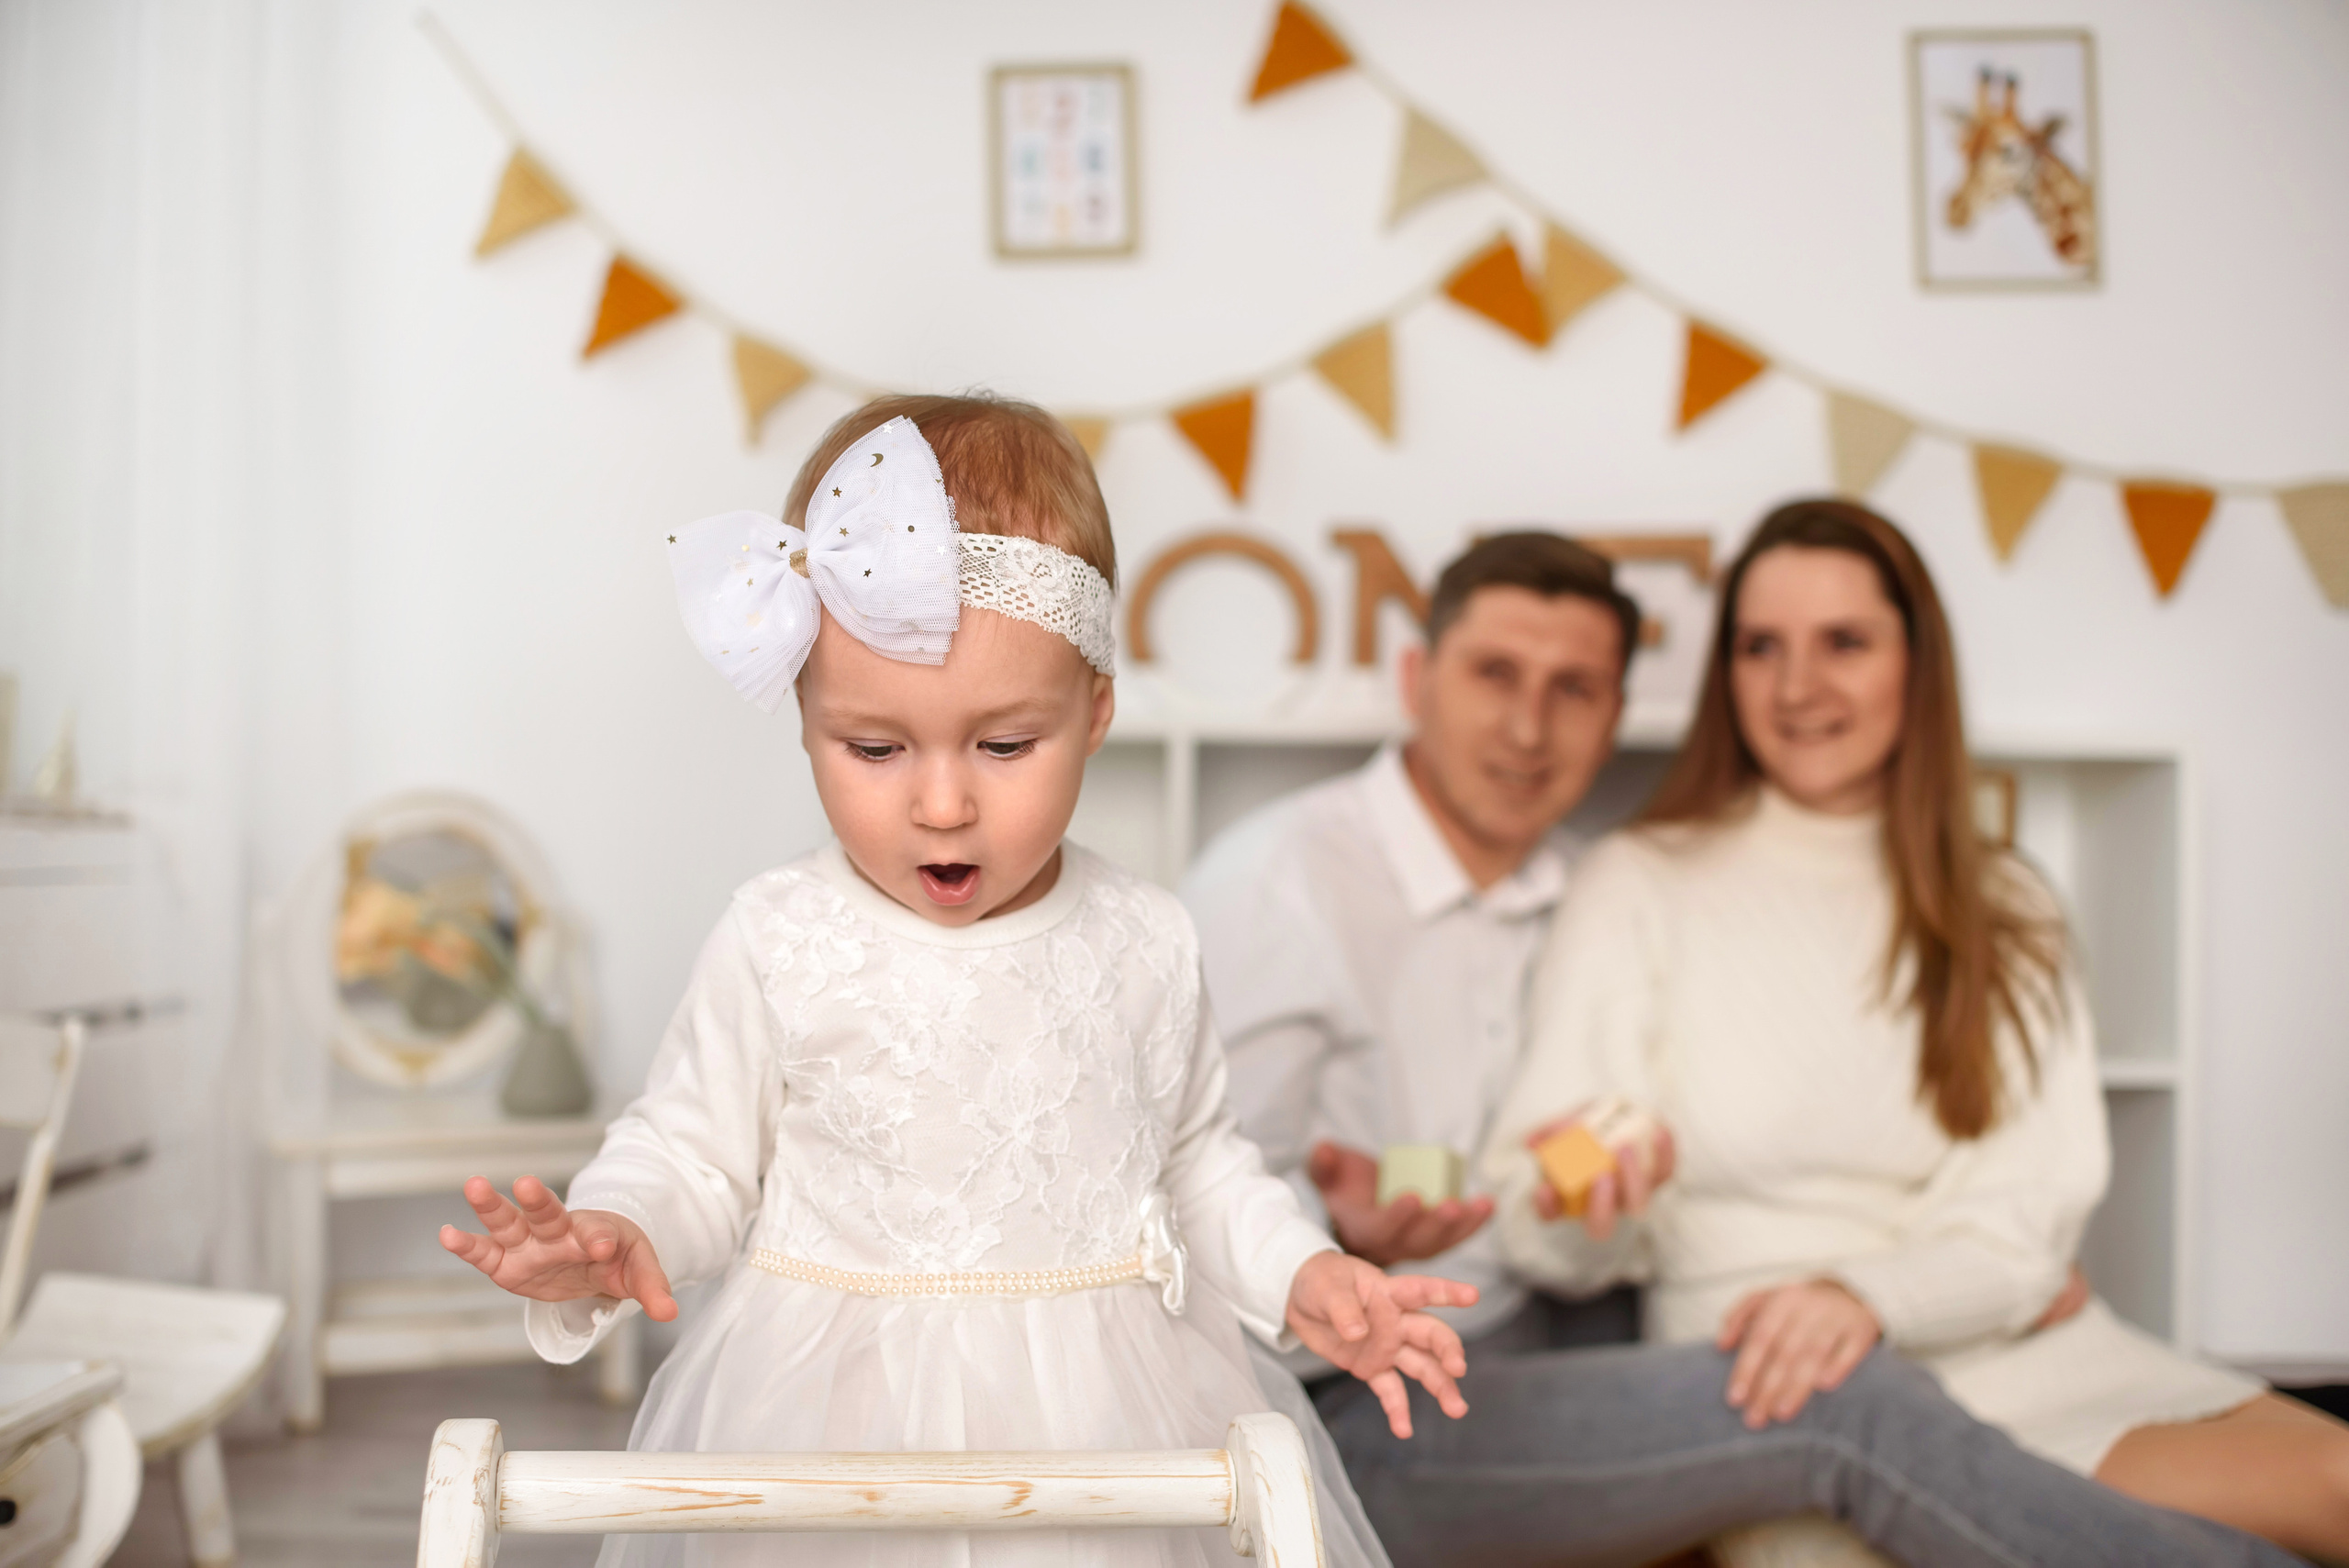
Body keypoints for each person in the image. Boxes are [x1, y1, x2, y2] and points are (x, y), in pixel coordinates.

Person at [436, 395, 1480, 1568]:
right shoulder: (783, 933)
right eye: (874, 748)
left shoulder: (1144, 937)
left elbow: (1195, 1163)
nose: (942, 802)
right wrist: (616, 1223)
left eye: (1003, 745)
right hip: (833, 1422)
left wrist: (1305, 1273)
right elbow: (692, 1144)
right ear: (804, 718)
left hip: (1104, 1422)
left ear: (1095, 712)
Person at [1186, 528, 2305, 1567]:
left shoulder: (1573, 876)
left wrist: (1980, 1278)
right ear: (1413, 677)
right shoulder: (1283, 887)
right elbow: (1189, 1197)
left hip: (1532, 1353)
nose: (1528, 728)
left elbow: (1556, 1207)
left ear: (1620, 707)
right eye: (1492, 675)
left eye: (1572, 688)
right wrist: (1338, 1239)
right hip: (1350, 1393)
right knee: (1843, 1400)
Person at [1486, 498, 2349, 1565]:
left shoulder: (2004, 899)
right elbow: (1539, 1213)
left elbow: (2031, 1211)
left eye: (1842, 642)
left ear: (1916, 664)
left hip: (2020, 1349)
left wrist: (1869, 1293)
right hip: (1782, 1384)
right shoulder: (1641, 880)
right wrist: (1587, 1204)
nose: (1798, 687)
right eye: (1762, 647)